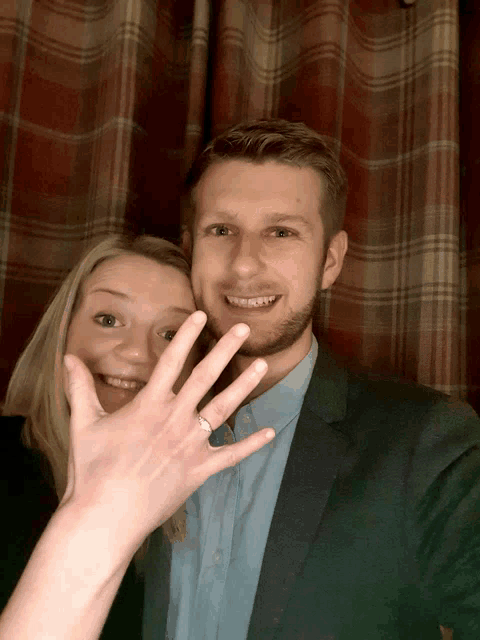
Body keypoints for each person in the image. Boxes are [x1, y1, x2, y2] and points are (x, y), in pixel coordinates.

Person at [138, 119, 480, 640]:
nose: (245, 266)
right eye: (221, 230)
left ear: (331, 261)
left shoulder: (429, 442)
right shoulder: (137, 425)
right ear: (189, 248)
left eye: (281, 232)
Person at [0, 234, 275, 639]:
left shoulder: (210, 514)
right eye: (109, 320)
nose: (136, 353)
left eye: (170, 334)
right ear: (63, 331)